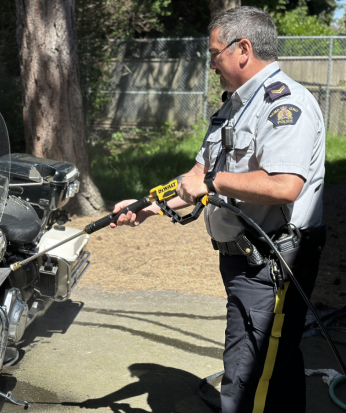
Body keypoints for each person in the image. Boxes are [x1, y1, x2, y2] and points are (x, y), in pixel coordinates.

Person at [111, 6, 326, 413]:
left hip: (275, 264)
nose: (211, 64)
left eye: (214, 54)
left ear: (242, 49)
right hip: (244, 261)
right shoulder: (235, 105)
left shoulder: (285, 106)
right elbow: (198, 174)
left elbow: (284, 186)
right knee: (271, 371)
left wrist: (213, 183)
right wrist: (148, 206)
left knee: (248, 377)